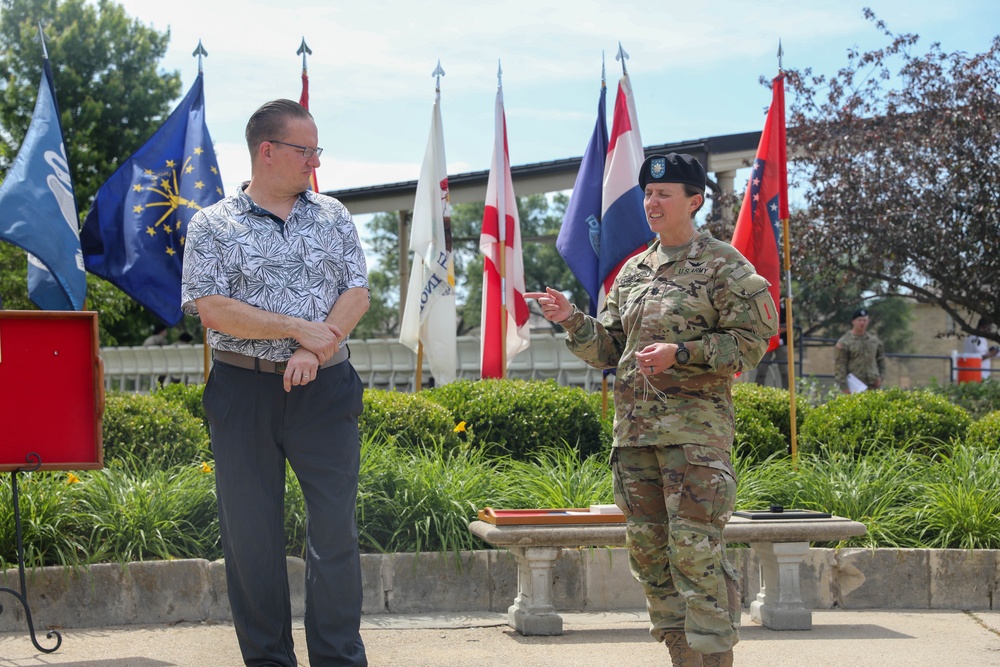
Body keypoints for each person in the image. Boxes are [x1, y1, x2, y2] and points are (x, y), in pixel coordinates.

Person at [527, 153, 777, 667]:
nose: (652, 202)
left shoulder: (725, 265)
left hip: (694, 438)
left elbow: (752, 343)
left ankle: (713, 660)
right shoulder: (634, 271)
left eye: (664, 194)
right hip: (635, 438)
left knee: (696, 554)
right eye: (647, 194)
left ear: (695, 200)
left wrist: (681, 354)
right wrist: (572, 319)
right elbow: (608, 350)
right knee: (651, 555)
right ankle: (681, 657)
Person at [180, 99, 370, 667]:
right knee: (251, 540)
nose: (315, 160)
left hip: (327, 389)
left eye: (317, 150)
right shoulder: (213, 224)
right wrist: (300, 332)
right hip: (244, 392)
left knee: (334, 533)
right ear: (268, 151)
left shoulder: (333, 215)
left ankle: (339, 660)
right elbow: (211, 308)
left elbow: (356, 291)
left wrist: (320, 344)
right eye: (305, 149)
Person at [834, 308, 885, 393]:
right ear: (853, 321)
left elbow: (880, 360)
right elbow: (840, 366)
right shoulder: (845, 342)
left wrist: (881, 378)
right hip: (855, 386)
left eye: (864, 320)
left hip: (873, 385)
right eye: (859, 320)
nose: (862, 323)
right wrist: (844, 387)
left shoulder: (874, 341)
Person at [753, 300, 788, 389]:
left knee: (784, 369)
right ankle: (758, 391)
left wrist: (774, 332)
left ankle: (786, 391)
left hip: (781, 341)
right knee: (762, 369)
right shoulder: (764, 302)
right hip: (766, 341)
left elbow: (789, 323)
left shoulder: (786, 304)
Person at [962, 317, 998, 381]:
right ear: (984, 326)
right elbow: (979, 357)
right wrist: (992, 353)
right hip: (980, 375)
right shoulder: (979, 339)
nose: (989, 331)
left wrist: (989, 351)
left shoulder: (970, 337)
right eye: (989, 328)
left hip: (970, 373)